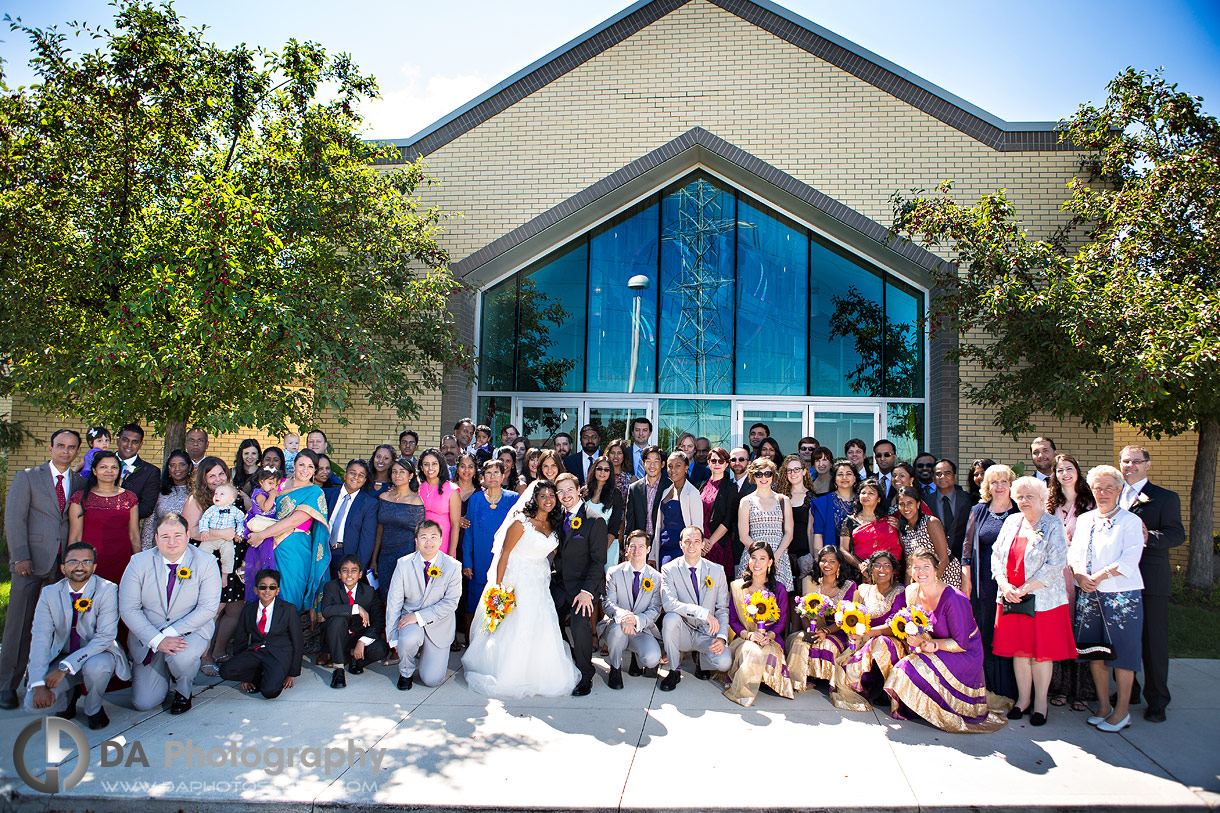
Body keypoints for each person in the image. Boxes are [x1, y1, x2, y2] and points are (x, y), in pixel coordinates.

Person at [462, 480, 582, 698]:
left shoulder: (555, 524)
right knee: (514, 625)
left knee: (541, 624)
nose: (548, 500)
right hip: (515, 579)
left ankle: (539, 672)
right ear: (534, 499)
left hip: (539, 580)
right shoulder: (520, 523)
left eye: (551, 496)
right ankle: (509, 672)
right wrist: (497, 588)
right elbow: (504, 554)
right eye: (543, 496)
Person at [883, 549, 1010, 733]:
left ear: (937, 570)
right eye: (916, 567)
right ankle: (920, 707)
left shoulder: (954, 598)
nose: (921, 572)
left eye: (926, 567)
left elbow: (961, 644)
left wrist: (931, 645)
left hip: (964, 653)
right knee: (902, 662)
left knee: (907, 668)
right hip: (933, 645)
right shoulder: (911, 592)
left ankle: (941, 710)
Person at [990, 476, 1074, 726]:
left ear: (1042, 498)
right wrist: (1005, 585)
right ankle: (1023, 700)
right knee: (1020, 651)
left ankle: (1040, 704)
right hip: (1011, 597)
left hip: (1042, 600)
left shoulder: (1052, 524)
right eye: (1020, 496)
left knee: (1040, 653)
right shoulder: (1012, 521)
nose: (1024, 501)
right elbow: (996, 555)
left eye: (1030, 496)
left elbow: (1057, 562)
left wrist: (1025, 588)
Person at [119, 514, 222, 714]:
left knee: (182, 658)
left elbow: (208, 608)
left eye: (177, 535)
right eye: (165, 536)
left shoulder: (206, 561)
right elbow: (128, 608)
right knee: (144, 703)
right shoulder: (138, 562)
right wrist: (156, 639)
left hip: (188, 632)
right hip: (150, 636)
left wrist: (170, 633)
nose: (172, 542)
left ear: (187, 535)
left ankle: (183, 690)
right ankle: (161, 674)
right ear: (156, 538)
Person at [1070, 464, 1147, 732]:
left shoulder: (1130, 521)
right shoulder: (1085, 519)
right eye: (1097, 488)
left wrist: (1099, 576)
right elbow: (1075, 553)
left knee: (1123, 655)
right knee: (1096, 653)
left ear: (1118, 490)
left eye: (1108, 488)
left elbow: (1130, 557)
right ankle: (1103, 706)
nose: (1102, 493)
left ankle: (1123, 711)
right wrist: (1080, 576)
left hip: (1121, 597)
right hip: (1089, 596)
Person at [23, 542, 130, 728]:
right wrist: (38, 683)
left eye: (86, 561)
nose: (80, 566)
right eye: (73, 562)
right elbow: (40, 637)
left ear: (94, 567)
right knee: (32, 703)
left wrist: (66, 667)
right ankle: (68, 697)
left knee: (98, 667)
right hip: (61, 655)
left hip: (97, 654)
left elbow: (105, 637)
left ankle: (93, 708)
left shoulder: (107, 590)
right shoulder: (49, 593)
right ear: (63, 568)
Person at [1118, 445, 1183, 723]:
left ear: (1148, 465)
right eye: (1125, 461)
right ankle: (1128, 692)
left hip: (1150, 579)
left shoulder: (1165, 497)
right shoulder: (1112, 494)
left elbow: (1176, 534)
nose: (1130, 466)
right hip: (1117, 580)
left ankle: (1157, 700)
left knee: (1153, 642)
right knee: (1123, 640)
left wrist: (1147, 537)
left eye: (1136, 461)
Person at [181, 456, 250, 676]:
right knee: (213, 611)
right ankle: (205, 655)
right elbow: (189, 531)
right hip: (210, 561)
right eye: (212, 475)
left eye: (221, 474)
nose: (218, 479)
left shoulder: (233, 496)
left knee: (235, 608)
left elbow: (248, 515)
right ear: (203, 478)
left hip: (234, 561)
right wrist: (221, 534)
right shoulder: (197, 500)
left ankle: (220, 650)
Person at [245, 450, 331, 617]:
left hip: (293, 548)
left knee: (290, 593)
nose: (305, 470)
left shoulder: (314, 492)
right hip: (267, 546)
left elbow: (294, 521)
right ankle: (262, 636)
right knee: (265, 591)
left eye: (310, 467)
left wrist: (261, 535)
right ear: (294, 465)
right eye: (301, 465)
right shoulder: (279, 483)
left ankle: (285, 638)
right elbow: (260, 506)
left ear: (314, 471)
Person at [963, 463, 1020, 699]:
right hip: (983, 582)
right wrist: (967, 581)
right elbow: (967, 549)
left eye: (1003, 481)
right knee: (986, 632)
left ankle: (1012, 689)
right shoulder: (979, 510)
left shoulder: (1020, 511)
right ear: (987, 485)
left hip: (1013, 581)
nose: (999, 486)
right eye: (993, 482)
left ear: (1011, 485)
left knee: (1010, 634)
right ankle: (987, 688)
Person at [386, 520, 463, 689]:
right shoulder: (404, 564)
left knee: (432, 680)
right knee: (408, 639)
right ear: (416, 541)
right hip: (410, 623)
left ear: (441, 540)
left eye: (433, 537)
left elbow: (451, 603)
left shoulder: (453, 567)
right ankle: (405, 671)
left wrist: (419, 616)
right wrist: (392, 637)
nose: (429, 542)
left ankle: (427, 660)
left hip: (439, 625)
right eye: (424, 537)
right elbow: (394, 601)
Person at [1047, 453, 1097, 710]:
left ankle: (1082, 691)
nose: (1064, 473)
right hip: (1055, 577)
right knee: (1059, 632)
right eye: (1059, 470)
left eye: (1069, 468)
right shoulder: (1050, 503)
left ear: (1077, 471)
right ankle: (1060, 688)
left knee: (1081, 632)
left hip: (1081, 575)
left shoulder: (1090, 503)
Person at [552, 473, 608, 696]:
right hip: (560, 583)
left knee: (580, 625)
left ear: (578, 490)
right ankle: (567, 658)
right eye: (561, 491)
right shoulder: (557, 517)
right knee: (545, 617)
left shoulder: (595, 520)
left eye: (569, 490)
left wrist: (586, 592)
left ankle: (586, 674)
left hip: (583, 587)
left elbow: (598, 561)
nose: (565, 495)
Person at [831, 551, 908, 711]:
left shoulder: (900, 591)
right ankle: (868, 684)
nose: (882, 569)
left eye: (887, 566)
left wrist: (868, 633)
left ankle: (886, 687)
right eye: (877, 565)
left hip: (891, 642)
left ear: (894, 570)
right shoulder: (863, 590)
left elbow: (896, 625)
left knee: (881, 643)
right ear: (870, 569)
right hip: (864, 640)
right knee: (847, 672)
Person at [659, 526, 731, 690]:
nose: (692, 546)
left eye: (696, 542)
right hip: (683, 630)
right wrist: (703, 612)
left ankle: (702, 659)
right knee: (670, 618)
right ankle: (674, 670)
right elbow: (669, 603)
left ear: (702, 544)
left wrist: (721, 637)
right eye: (687, 542)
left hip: (707, 632)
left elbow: (722, 608)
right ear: (680, 544)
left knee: (724, 662)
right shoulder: (669, 569)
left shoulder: (717, 570)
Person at [724, 541, 794, 706]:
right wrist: (749, 635)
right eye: (753, 558)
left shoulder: (779, 589)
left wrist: (768, 636)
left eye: (762, 558)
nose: (757, 563)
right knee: (751, 649)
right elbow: (733, 620)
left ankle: (766, 681)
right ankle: (745, 686)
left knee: (768, 650)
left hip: (771, 638)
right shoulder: (737, 587)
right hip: (744, 637)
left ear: (770, 562)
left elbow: (781, 621)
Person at [219, 568, 303, 699]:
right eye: (263, 587)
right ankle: (257, 674)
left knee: (270, 692)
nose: (267, 591)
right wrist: (244, 674)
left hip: (279, 654)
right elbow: (241, 639)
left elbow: (297, 642)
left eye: (272, 587)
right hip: (257, 651)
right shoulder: (249, 610)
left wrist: (292, 673)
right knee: (226, 670)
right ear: (256, 590)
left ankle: (272, 675)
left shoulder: (288, 609)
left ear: (277, 590)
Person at [786, 545, 857, 690]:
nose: (827, 565)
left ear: (839, 564)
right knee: (800, 642)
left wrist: (826, 631)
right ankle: (800, 679)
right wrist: (809, 631)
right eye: (823, 560)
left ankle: (825, 678)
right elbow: (804, 611)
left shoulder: (849, 586)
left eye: (832, 561)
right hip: (814, 628)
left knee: (827, 645)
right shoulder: (810, 582)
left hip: (837, 630)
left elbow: (847, 618)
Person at [600, 530, 663, 689]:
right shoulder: (614, 572)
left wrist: (636, 620)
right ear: (626, 548)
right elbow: (608, 603)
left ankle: (637, 658)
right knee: (617, 629)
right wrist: (623, 616)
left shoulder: (656, 578)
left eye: (641, 546)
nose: (636, 550)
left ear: (648, 549)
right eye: (633, 546)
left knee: (653, 658)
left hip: (641, 629)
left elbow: (655, 609)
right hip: (616, 626)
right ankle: (615, 668)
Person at [463, 460, 519, 638]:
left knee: (501, 602)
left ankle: (496, 641)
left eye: (496, 472)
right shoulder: (475, 499)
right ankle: (473, 640)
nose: (493, 477)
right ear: (482, 477)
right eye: (488, 473)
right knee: (475, 603)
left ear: (503, 476)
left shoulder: (513, 499)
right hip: (480, 559)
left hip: (505, 560)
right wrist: (467, 562)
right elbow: (469, 533)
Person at [67, 450, 140, 584]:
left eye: (114, 467)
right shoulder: (80, 497)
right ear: (94, 471)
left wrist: (139, 565)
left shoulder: (130, 497)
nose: (109, 471)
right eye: (103, 467)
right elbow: (75, 537)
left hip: (122, 560)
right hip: (90, 561)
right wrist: (73, 564)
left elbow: (134, 535)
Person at [320, 555, 389, 688]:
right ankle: (339, 669)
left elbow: (378, 621)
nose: (349, 574)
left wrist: (362, 641)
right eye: (345, 571)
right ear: (339, 574)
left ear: (360, 574)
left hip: (357, 635)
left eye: (354, 570)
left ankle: (356, 661)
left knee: (380, 649)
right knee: (337, 621)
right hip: (337, 637)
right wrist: (355, 608)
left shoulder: (368, 592)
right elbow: (326, 610)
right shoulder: (331, 587)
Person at [373, 457, 426, 605]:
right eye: (394, 472)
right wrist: (374, 558)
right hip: (384, 555)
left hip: (406, 555)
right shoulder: (384, 497)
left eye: (402, 472)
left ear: (410, 476)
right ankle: (386, 628)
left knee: (402, 597)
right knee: (385, 596)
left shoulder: (416, 501)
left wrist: (417, 562)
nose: (397, 475)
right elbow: (379, 529)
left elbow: (419, 533)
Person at [737, 458, 794, 591]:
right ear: (753, 476)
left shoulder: (783, 500)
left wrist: (775, 556)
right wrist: (760, 557)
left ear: (773, 476)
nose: (764, 477)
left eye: (768, 474)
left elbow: (789, 532)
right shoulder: (746, 501)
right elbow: (743, 535)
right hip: (754, 557)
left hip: (778, 557)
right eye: (759, 474)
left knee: (778, 601)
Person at [894, 486, 961, 587]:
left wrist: (929, 585)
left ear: (918, 504)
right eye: (902, 504)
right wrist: (908, 591)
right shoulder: (904, 530)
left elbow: (944, 559)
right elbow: (909, 565)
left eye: (910, 503)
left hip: (945, 575)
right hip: (923, 579)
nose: (906, 508)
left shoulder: (931, 522)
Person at [325, 459, 379, 578]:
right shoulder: (326, 494)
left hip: (346, 555)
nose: (356, 477)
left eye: (361, 475)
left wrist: (358, 567)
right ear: (345, 475)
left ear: (364, 480)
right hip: (323, 551)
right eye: (352, 473)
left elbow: (367, 540)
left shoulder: (369, 504)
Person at [838, 479, 901, 575]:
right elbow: (843, 550)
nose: (866, 496)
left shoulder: (888, 522)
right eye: (863, 493)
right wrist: (860, 565)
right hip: (857, 573)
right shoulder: (849, 521)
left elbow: (895, 548)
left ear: (879, 499)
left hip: (883, 573)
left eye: (871, 493)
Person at [654, 451, 704, 567]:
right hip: (664, 547)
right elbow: (659, 525)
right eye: (670, 466)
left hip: (682, 550)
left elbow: (697, 528)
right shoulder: (666, 491)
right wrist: (653, 554)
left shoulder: (692, 493)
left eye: (678, 466)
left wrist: (695, 554)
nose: (673, 470)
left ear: (686, 468)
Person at [452, 452, 481, 648]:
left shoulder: (480, 493)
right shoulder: (449, 490)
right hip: (452, 545)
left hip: (471, 547)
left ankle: (469, 634)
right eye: (463, 466)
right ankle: (451, 636)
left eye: (471, 466)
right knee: (452, 591)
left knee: (469, 591)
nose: (466, 470)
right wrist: (455, 520)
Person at [700, 447, 739, 582]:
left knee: (717, 585)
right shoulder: (702, 485)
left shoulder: (730, 487)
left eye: (721, 461)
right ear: (708, 463)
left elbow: (728, 520)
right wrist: (702, 541)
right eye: (713, 460)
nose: (717, 464)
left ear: (726, 464)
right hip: (701, 544)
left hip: (719, 544)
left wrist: (709, 543)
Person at [141, 451, 193, 551]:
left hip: (190, 546)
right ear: (168, 469)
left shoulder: (197, 492)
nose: (177, 469)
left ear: (189, 467)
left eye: (182, 464)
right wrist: (145, 549)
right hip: (164, 545)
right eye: (172, 465)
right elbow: (150, 523)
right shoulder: (159, 492)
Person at [115, 424, 161, 533]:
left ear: (140, 444)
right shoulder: (101, 463)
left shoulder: (150, 471)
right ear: (118, 440)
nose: (129, 445)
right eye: (125, 440)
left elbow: (147, 507)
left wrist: (117, 514)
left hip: (128, 530)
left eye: (134, 442)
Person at [776, 454, 815, 581]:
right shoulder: (779, 497)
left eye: (796, 469)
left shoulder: (811, 498)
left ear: (804, 471)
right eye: (789, 470)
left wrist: (812, 556)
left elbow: (811, 530)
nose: (793, 473)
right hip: (782, 553)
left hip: (803, 554)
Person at [583, 454, 624, 568]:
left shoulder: (615, 494)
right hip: (585, 545)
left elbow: (614, 527)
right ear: (594, 470)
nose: (602, 472)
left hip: (608, 545)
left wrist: (600, 551)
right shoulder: (584, 492)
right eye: (599, 468)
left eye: (607, 470)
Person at [195, 483, 244, 579]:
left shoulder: (234, 511)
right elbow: (204, 519)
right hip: (211, 538)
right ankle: (200, 571)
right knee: (202, 551)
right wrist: (204, 530)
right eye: (216, 494)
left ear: (231, 500)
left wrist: (239, 533)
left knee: (229, 554)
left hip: (226, 540)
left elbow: (241, 521)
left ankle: (225, 575)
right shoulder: (211, 510)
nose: (217, 496)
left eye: (221, 494)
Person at [418, 448, 461, 556]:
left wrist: (451, 555)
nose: (430, 468)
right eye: (426, 464)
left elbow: (455, 525)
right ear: (421, 467)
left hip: (443, 544)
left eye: (434, 464)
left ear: (440, 465)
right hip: (421, 544)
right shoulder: (418, 488)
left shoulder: (451, 490)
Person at [624, 445, 669, 547]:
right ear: (643, 463)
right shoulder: (634, 488)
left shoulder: (670, 487)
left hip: (662, 543)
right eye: (648, 461)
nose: (652, 465)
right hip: (640, 544)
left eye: (656, 461)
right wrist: (628, 545)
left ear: (662, 464)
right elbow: (629, 521)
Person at [931, 459, 970, 569]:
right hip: (935, 563)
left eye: (947, 473)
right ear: (933, 478)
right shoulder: (926, 501)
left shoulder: (968, 499)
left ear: (955, 476)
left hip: (962, 562)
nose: (943, 477)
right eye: (938, 474)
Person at [812, 461, 857, 555]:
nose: (844, 477)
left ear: (855, 478)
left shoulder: (864, 500)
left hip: (860, 557)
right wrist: (818, 560)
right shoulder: (823, 503)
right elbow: (818, 534)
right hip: (832, 559)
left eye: (848, 474)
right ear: (835, 479)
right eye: (840, 474)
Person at [872, 440, 898, 506]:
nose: (882, 458)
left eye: (887, 455)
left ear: (895, 457)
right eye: (879, 455)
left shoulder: (901, 480)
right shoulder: (870, 480)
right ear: (875, 459)